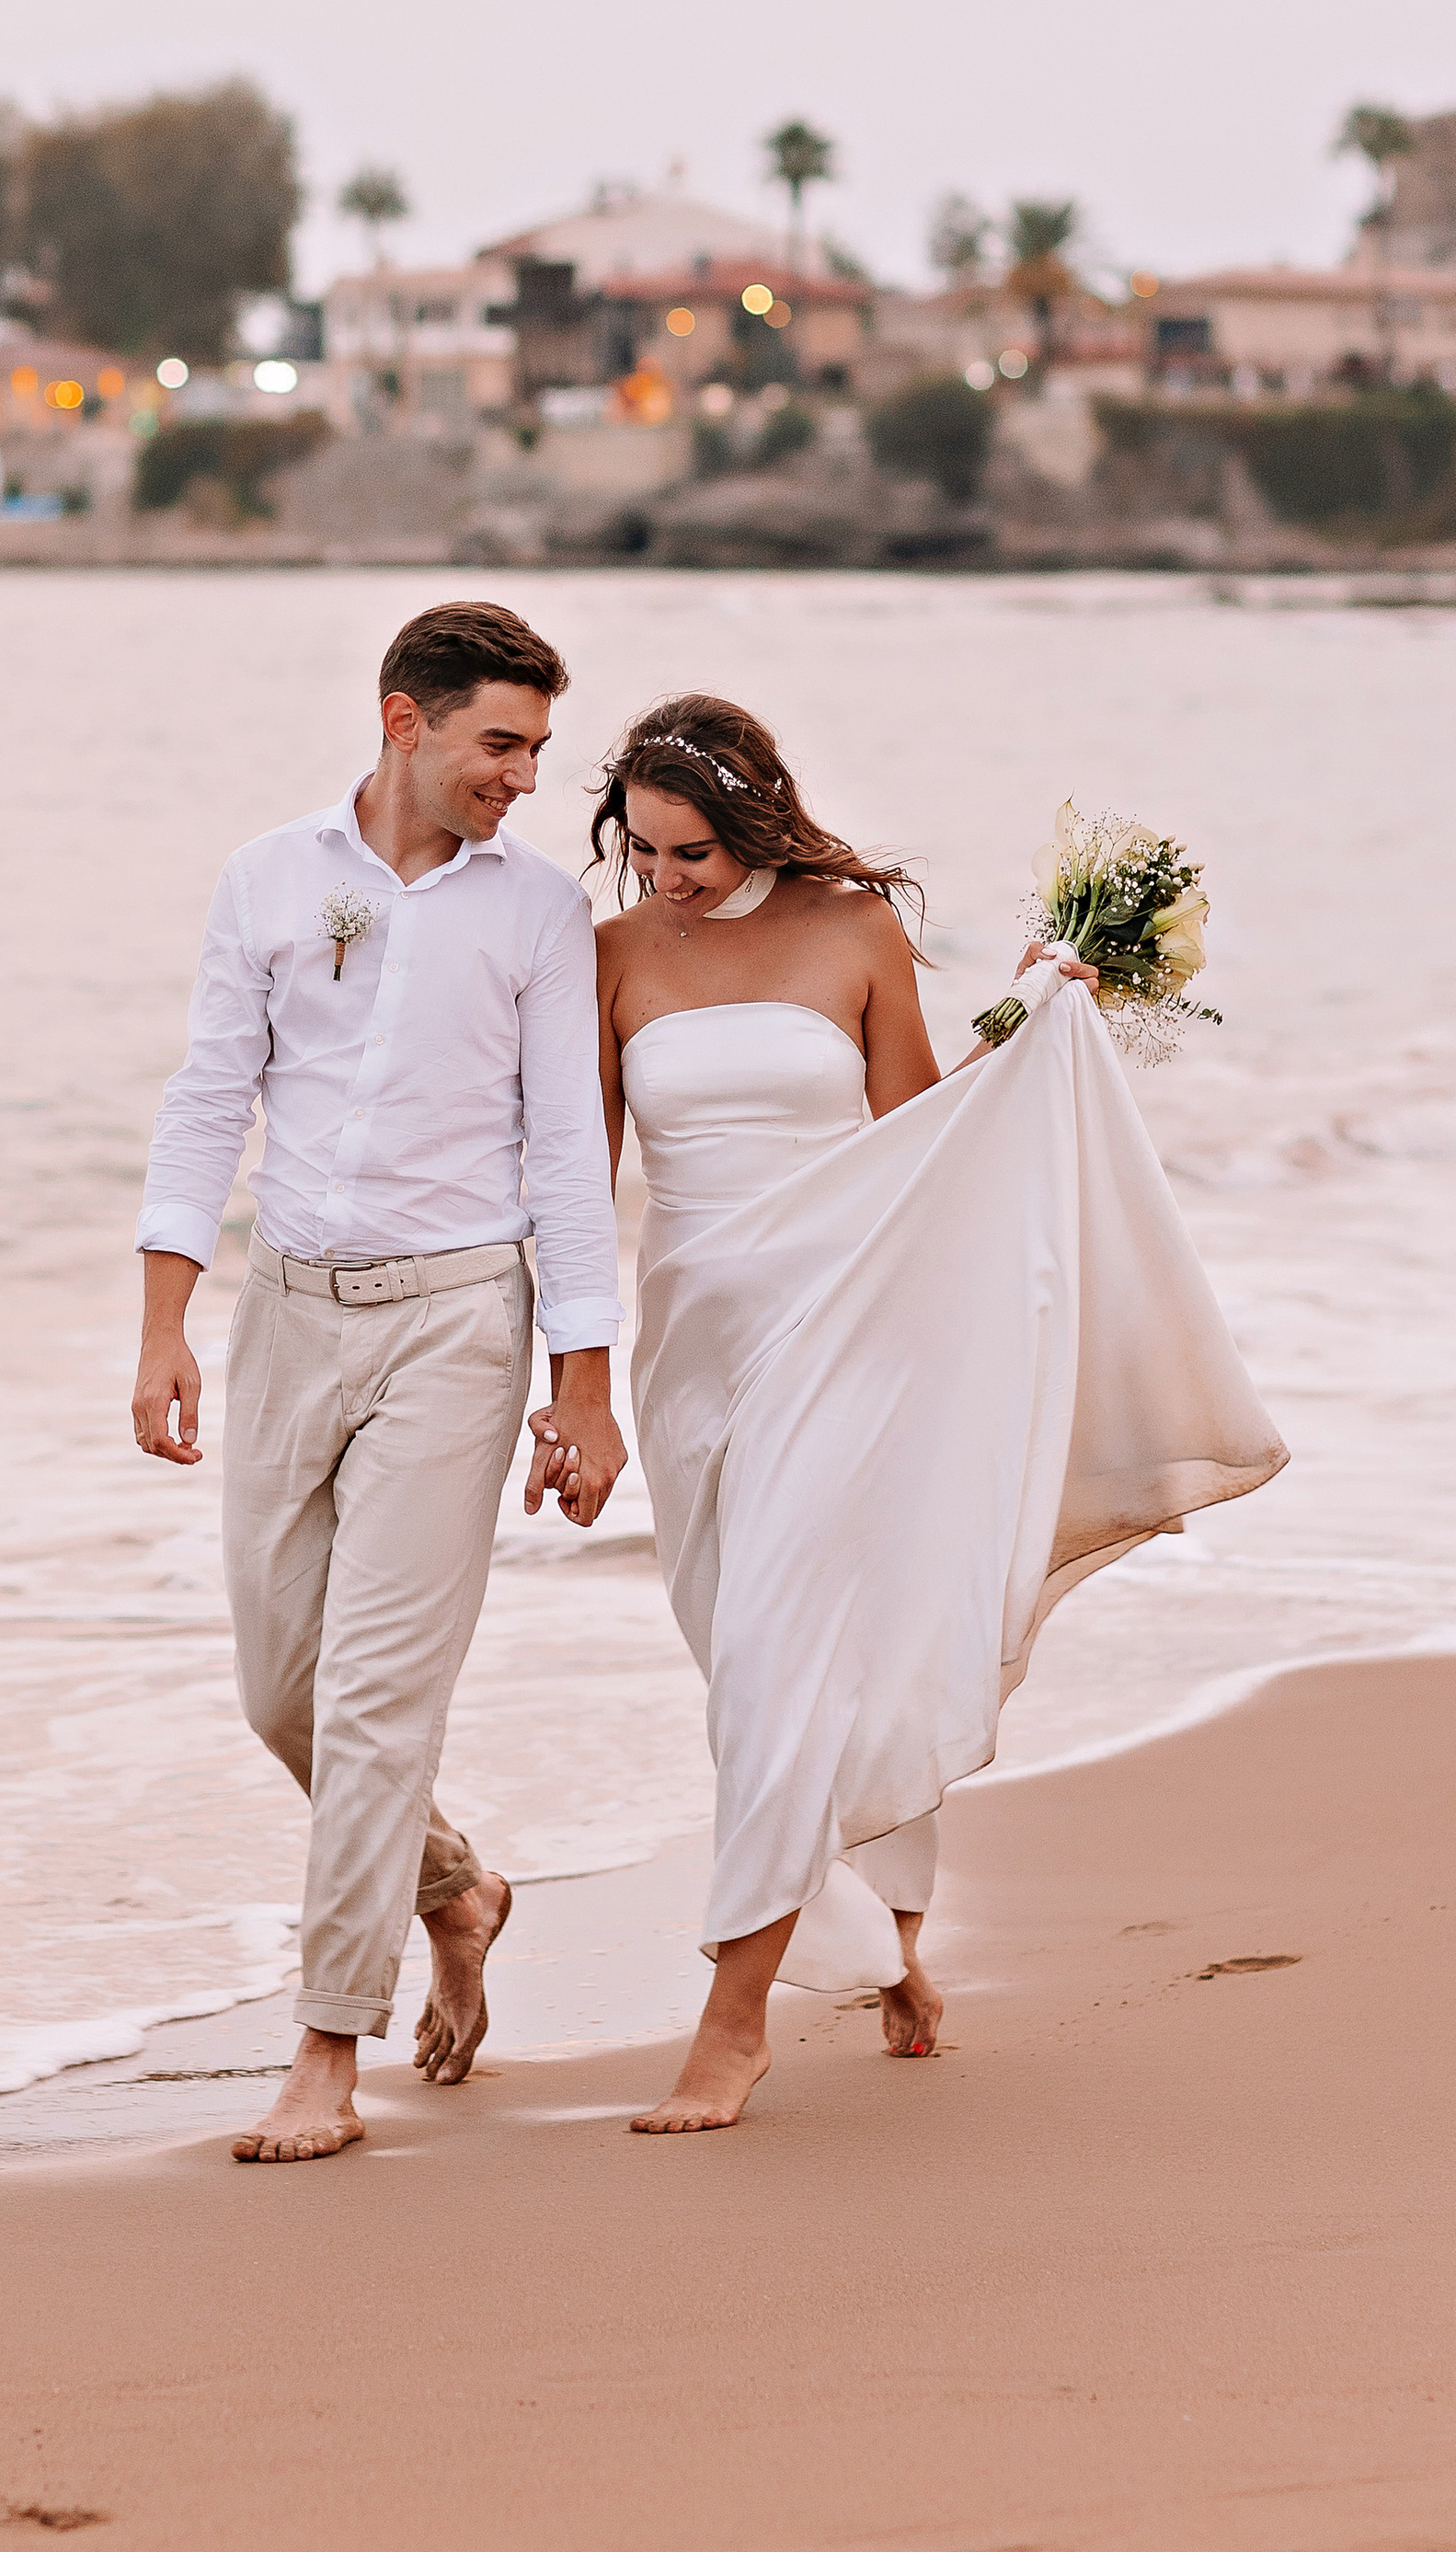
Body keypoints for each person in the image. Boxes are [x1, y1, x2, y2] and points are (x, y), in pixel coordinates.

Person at [539, 691, 1287, 2138]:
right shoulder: (613, 956)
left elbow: (921, 1139)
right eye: (641, 853)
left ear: (754, 818)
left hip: (849, 1327)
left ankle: (733, 2021)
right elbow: (581, 1180)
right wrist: (576, 1391)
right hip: (697, 1341)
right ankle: (896, 1951)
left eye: (689, 851)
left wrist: (1038, 1029)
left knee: (784, 1655)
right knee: (749, 1653)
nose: (665, 881)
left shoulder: (857, 930)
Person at [132, 601, 625, 2165]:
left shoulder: (539, 915)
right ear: (404, 720)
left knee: (374, 1699)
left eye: (540, 749)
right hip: (287, 1313)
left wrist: (585, 1384)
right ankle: (453, 1888)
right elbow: (211, 1096)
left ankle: (325, 2054)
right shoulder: (269, 879)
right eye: (502, 743)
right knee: (281, 1690)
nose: (525, 779)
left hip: (457, 1329)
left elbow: (564, 1149)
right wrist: (166, 1324)